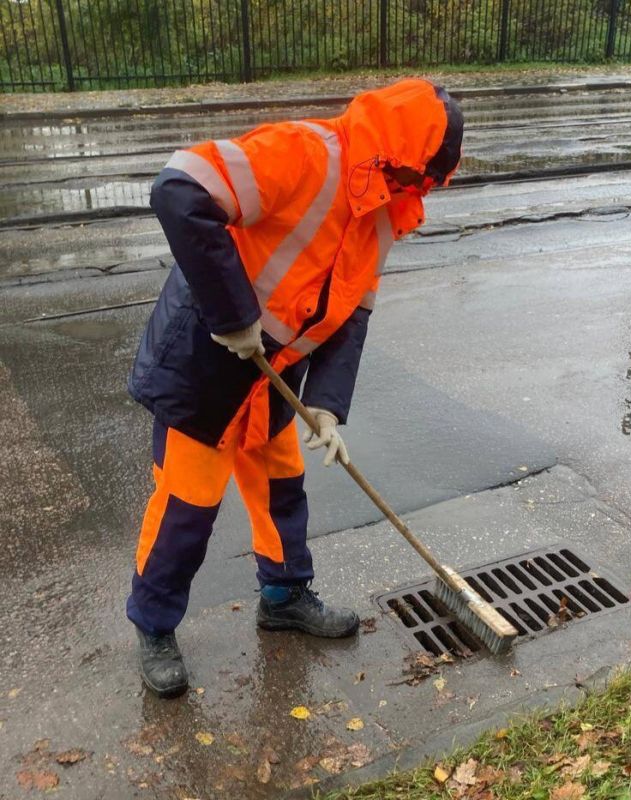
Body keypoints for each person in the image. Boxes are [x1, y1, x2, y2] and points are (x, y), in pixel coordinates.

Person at [125, 78, 464, 698]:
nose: (412, 196)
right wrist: (232, 316)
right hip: (205, 364)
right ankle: (153, 625)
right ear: (393, 156)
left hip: (276, 379)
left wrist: (328, 407)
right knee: (186, 510)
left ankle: (284, 596)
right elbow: (179, 188)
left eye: (420, 188)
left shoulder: (385, 210)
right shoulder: (305, 154)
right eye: (412, 181)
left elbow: (353, 311)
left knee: (283, 491)